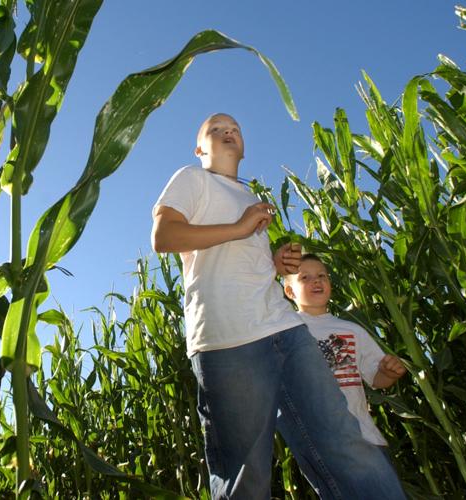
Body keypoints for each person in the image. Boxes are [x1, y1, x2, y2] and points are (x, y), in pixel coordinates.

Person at [151, 113, 405, 499]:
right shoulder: (192, 178)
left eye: (235, 128)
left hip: (284, 327)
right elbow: (164, 235)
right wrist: (239, 227)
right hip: (227, 340)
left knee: (345, 441)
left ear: (245, 146)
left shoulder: (252, 197)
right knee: (245, 474)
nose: (228, 131)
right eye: (216, 129)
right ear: (199, 148)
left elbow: (235, 267)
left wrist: (274, 265)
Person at [280, 253, 407, 492]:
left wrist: (389, 372)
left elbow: (376, 379)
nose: (316, 281)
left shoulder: (352, 330)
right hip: (322, 438)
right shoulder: (285, 329)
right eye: (305, 277)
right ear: (290, 292)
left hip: (367, 436)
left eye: (322, 276)